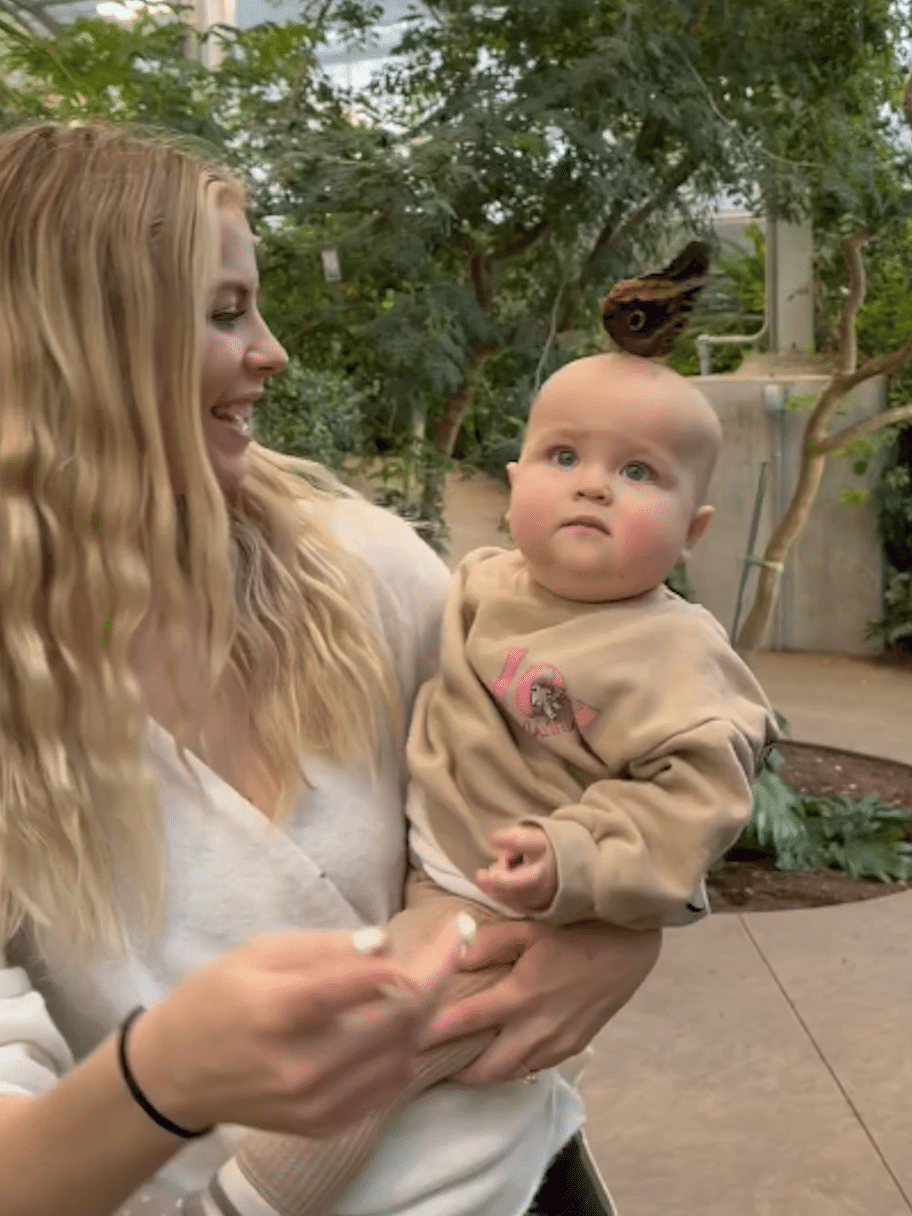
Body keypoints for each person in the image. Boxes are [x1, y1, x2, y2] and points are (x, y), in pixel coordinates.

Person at [0, 122, 663, 1216]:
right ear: (78, 344)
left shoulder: (358, 567)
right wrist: (162, 1077)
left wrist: (618, 931)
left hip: (517, 1184)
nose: (272, 351)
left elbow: (591, 768)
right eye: (222, 313)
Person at [195, 354, 778, 1216]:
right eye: (564, 458)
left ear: (692, 532)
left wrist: (573, 860)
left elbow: (695, 803)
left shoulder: (678, 661)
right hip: (439, 881)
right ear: (514, 484)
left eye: (637, 471)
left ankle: (250, 1200)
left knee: (373, 1048)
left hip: (514, 909)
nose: (594, 488)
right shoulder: (480, 587)